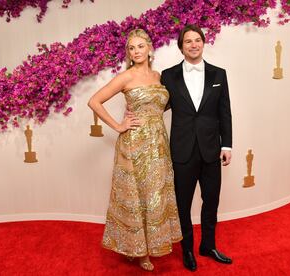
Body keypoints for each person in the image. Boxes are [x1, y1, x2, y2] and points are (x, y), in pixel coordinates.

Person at [87, 29, 182, 271]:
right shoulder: (126, 77)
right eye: (132, 48)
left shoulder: (159, 76)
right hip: (134, 144)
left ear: (150, 48)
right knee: (136, 195)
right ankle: (139, 250)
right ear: (128, 52)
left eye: (140, 46)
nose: (136, 51)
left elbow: (159, 106)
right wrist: (119, 126)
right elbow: (94, 101)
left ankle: (146, 246)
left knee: (154, 194)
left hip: (158, 143)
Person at [160, 24, 233, 271]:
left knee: (211, 199)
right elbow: (158, 105)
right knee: (183, 203)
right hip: (182, 150)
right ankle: (188, 249)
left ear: (203, 43)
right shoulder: (168, 75)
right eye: (188, 41)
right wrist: (135, 110)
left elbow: (225, 112)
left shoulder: (219, 74)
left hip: (212, 149)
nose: (193, 44)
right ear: (181, 47)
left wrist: (228, 145)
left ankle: (208, 245)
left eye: (197, 40)